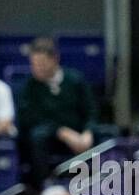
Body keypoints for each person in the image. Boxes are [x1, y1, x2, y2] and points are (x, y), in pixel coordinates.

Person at [16, 36, 98, 186]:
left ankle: (103, 185)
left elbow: (91, 111)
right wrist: (61, 132)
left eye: (41, 64)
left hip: (79, 135)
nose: (37, 68)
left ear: (55, 59)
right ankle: (44, 187)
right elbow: (29, 119)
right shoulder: (29, 87)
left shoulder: (75, 79)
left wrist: (88, 132)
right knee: (37, 136)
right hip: (50, 138)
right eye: (33, 64)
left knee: (107, 135)